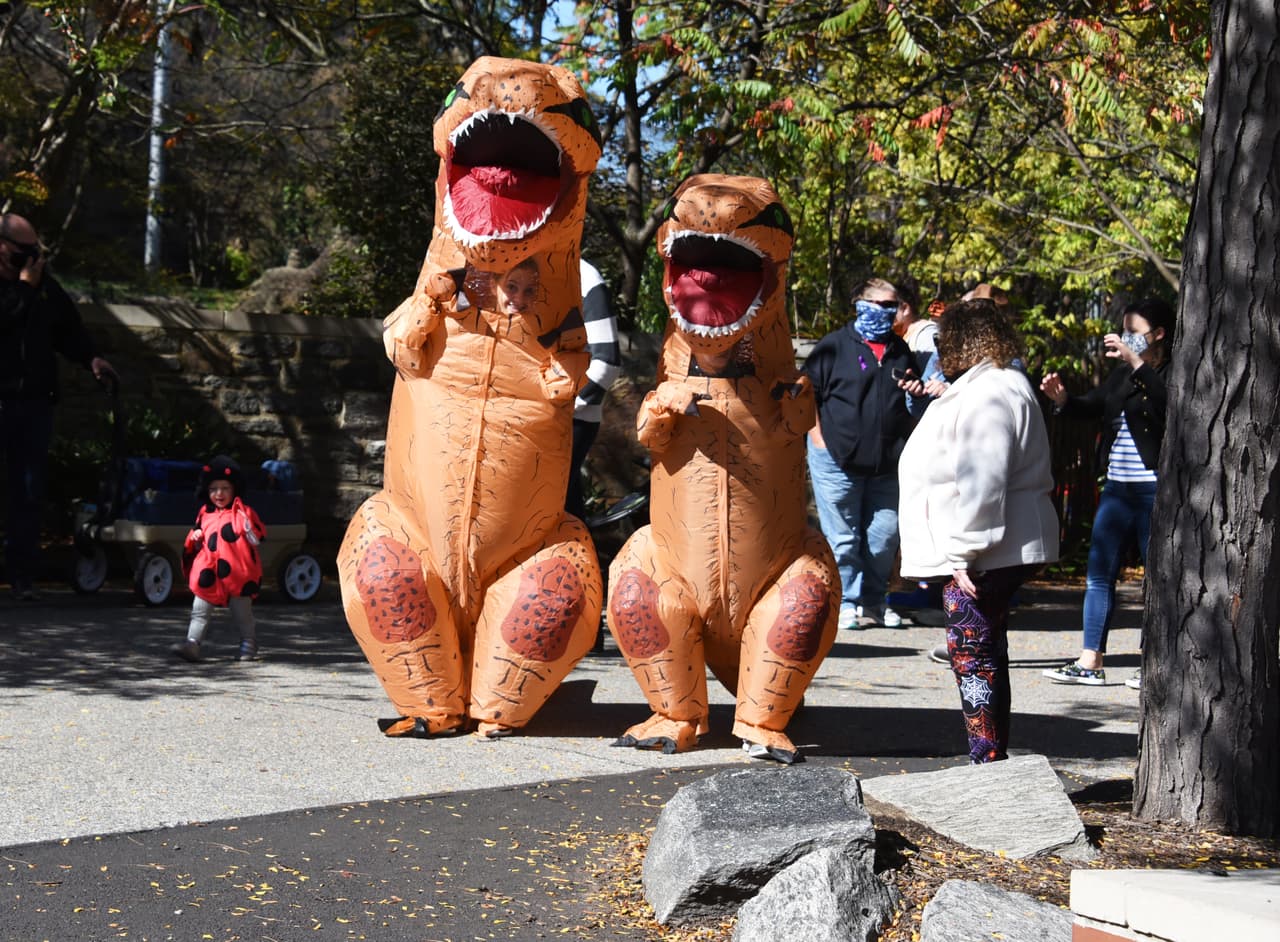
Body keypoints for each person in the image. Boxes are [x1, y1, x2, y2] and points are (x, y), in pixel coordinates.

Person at [898, 299, 1059, 763]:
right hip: (992, 546)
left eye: (944, 340)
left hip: (983, 551)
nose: (940, 349)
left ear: (962, 341)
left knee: (972, 654)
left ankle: (986, 761)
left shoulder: (989, 392)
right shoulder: (992, 385)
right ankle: (989, 757)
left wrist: (964, 551)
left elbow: (983, 479)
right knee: (984, 651)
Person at [1040, 297, 1173, 690]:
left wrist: (1137, 363)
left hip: (1155, 491)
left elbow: (1170, 404)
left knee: (1159, 580)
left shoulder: (1173, 370)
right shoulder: (1121, 375)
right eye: (1124, 330)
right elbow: (1093, 406)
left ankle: (1155, 665)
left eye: (1134, 331)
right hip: (1117, 490)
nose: (1126, 337)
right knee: (1099, 575)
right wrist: (1063, 401)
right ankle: (1090, 661)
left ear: (1158, 334)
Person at [0, 213, 116, 599]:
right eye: (24, 249)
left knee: (28, 491)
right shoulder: (27, 286)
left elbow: (68, 329)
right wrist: (24, 289)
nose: (33, 256)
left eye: (36, 249)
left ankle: (22, 577)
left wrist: (91, 358)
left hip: (33, 404)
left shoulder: (44, 286)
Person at [804, 277, 923, 629]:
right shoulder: (832, 347)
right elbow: (806, 395)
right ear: (861, 304)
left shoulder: (900, 351)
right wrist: (818, 439)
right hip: (835, 460)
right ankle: (846, 602)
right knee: (843, 539)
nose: (888, 311)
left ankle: (873, 601)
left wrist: (916, 393)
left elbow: (909, 402)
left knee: (884, 538)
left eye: (893, 306)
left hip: (887, 464)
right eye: (881, 304)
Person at [172, 457, 266, 662]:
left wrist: (247, 526)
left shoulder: (243, 512)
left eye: (225, 488)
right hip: (208, 572)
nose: (219, 493)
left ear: (235, 489)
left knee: (242, 613)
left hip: (238, 574)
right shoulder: (205, 513)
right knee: (199, 610)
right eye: (213, 489)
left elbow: (257, 537)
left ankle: (248, 643)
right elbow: (196, 538)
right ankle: (192, 643)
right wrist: (195, 538)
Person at [565, 259, 620, 520]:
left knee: (557, 509)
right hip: (538, 417)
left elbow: (607, 363)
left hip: (570, 420)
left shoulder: (586, 277)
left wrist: (561, 409)